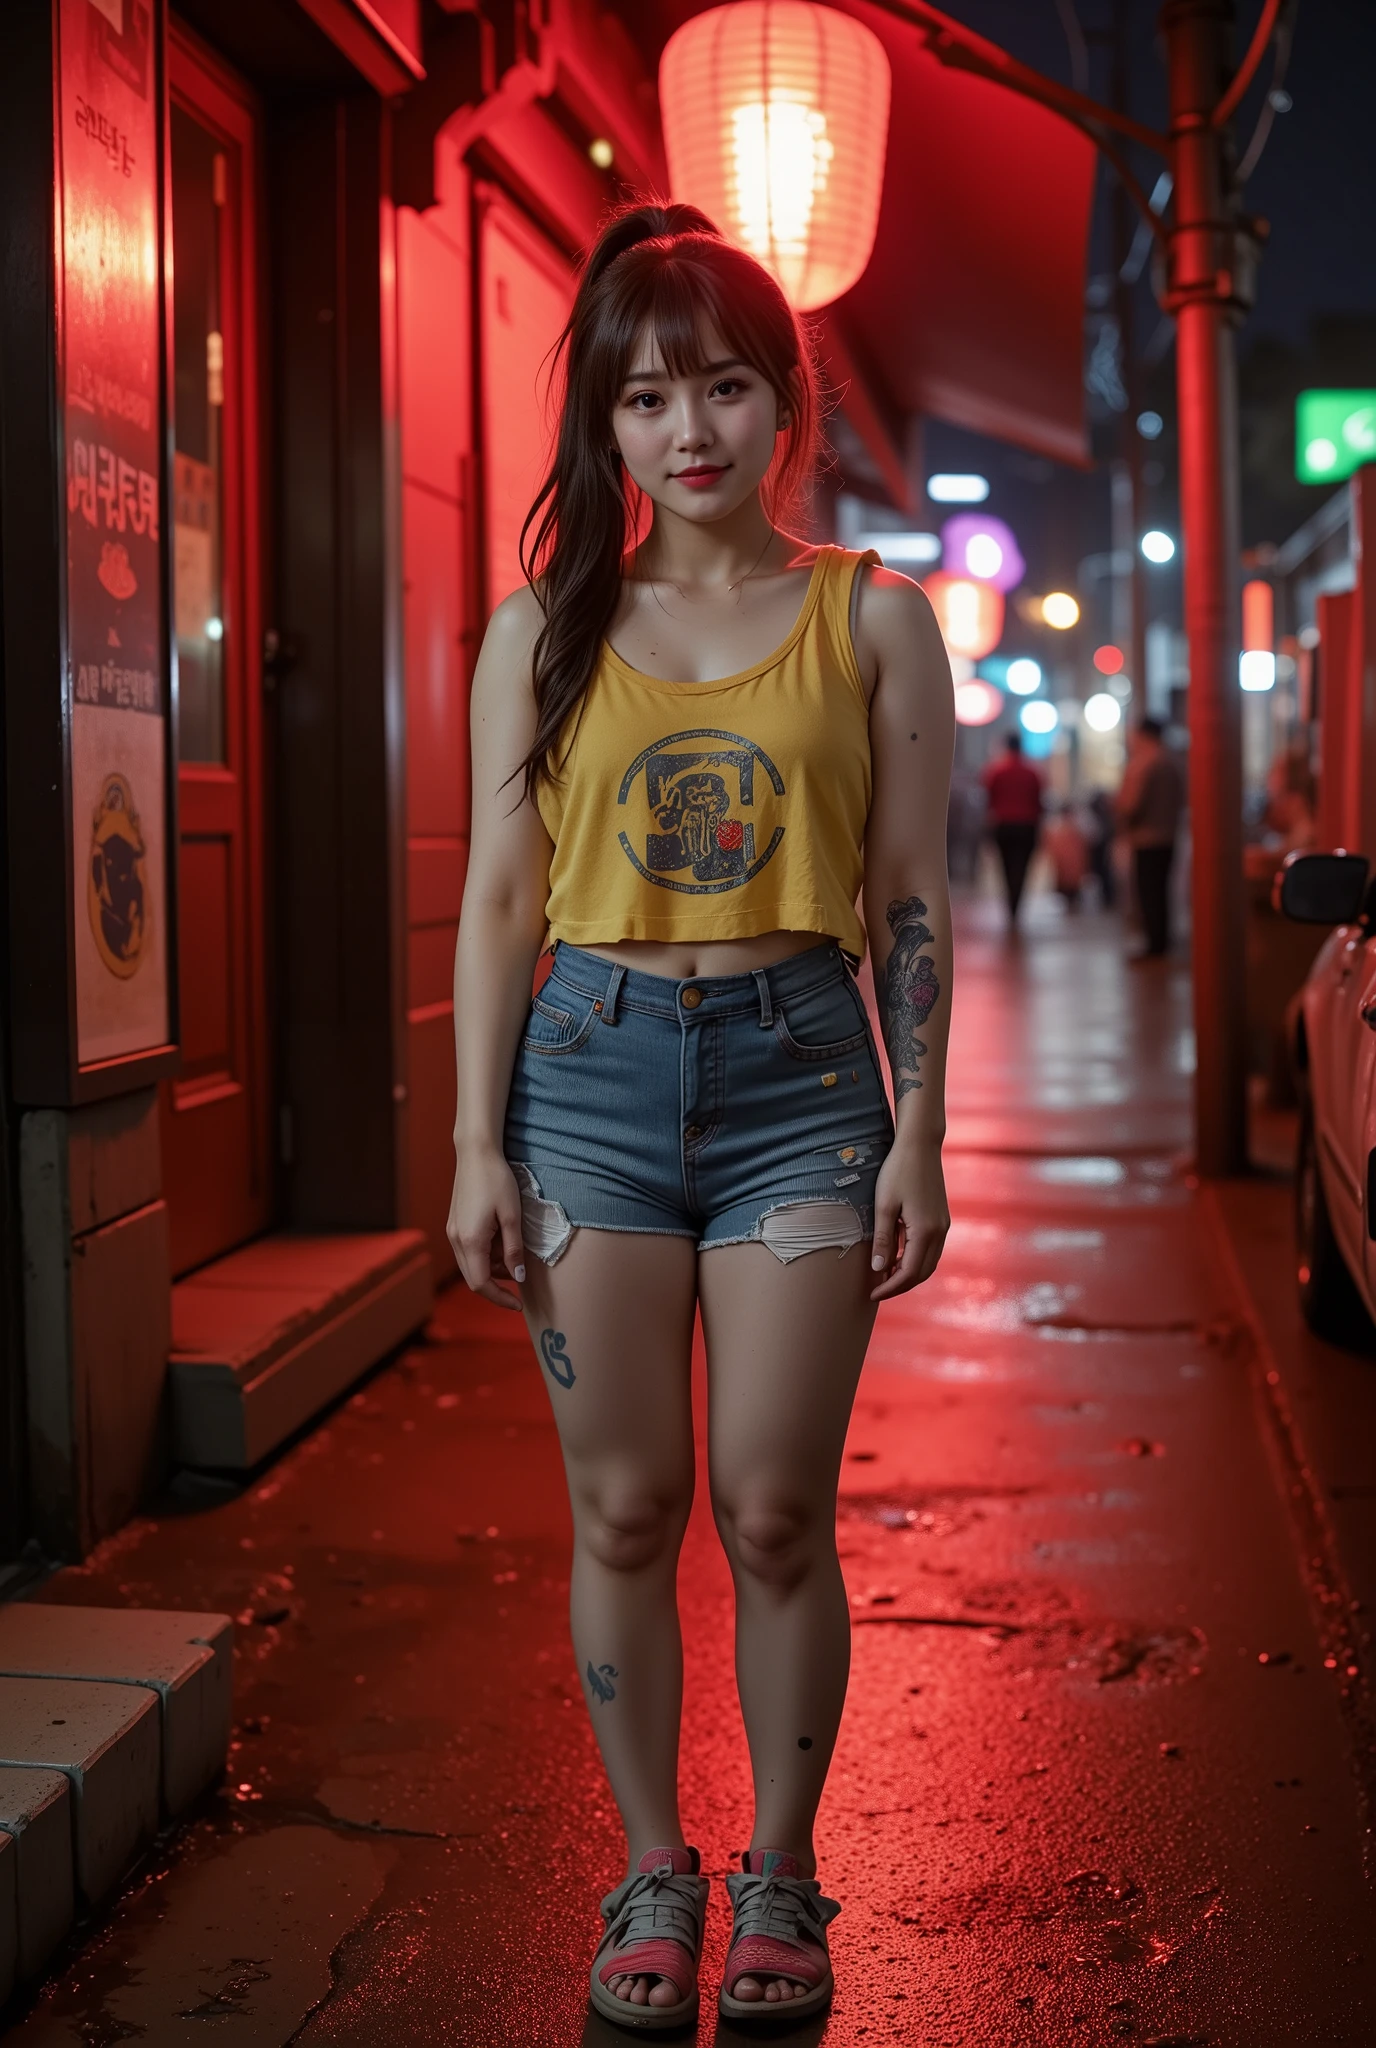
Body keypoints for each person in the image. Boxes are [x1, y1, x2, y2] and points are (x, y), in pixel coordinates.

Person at [446, 203, 953, 2030]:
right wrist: (472, 1144)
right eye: (648, 392)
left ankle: (786, 1873)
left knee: (768, 1506)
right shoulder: (544, 629)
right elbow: (502, 896)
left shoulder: (873, 614)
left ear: (782, 401)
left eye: (725, 383)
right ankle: (654, 1861)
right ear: (602, 421)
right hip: (581, 1076)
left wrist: (923, 1127)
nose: (691, 428)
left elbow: (906, 886)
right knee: (627, 1501)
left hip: (802, 1077)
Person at [1117, 716, 1184, 957]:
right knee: (1161, 891)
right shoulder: (1171, 762)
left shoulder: (1144, 765)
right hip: (1168, 834)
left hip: (1146, 838)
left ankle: (1154, 944)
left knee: (1148, 891)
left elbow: (1130, 805)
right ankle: (1161, 940)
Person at [981, 729, 1044, 921]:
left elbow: (988, 798)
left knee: (1006, 866)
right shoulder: (1032, 771)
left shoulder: (996, 770)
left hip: (1003, 825)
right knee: (1023, 867)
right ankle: (1017, 903)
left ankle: (1011, 904)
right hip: (1027, 826)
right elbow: (1039, 800)